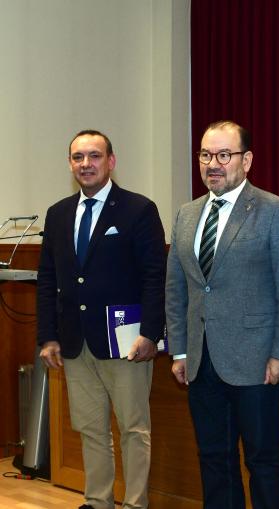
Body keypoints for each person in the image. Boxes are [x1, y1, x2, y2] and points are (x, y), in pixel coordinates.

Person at [165, 120, 279, 509]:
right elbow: (176, 288)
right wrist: (180, 350)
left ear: (247, 160)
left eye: (224, 155)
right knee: (213, 459)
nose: (213, 164)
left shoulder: (274, 211)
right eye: (206, 155)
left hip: (257, 363)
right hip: (201, 362)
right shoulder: (187, 214)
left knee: (263, 461)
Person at [37, 130, 165, 509]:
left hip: (127, 343)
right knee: (90, 429)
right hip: (75, 343)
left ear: (111, 161)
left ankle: (136, 504)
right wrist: (48, 335)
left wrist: (150, 332)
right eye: (78, 157)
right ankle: (98, 502)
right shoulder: (58, 214)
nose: (86, 164)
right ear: (70, 164)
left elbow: (154, 276)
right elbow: (48, 278)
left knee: (133, 429)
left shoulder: (138, 209)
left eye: (94, 156)